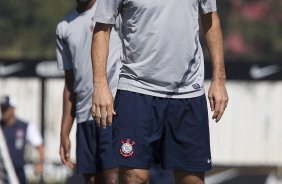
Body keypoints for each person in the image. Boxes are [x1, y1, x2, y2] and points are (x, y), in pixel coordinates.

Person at [91, 0, 229, 184]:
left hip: (188, 92)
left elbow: (210, 18)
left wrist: (219, 79)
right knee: (133, 177)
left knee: (192, 180)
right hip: (136, 89)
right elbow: (101, 29)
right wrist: (100, 84)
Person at [55, 0, 122, 183]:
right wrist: (64, 132)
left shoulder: (113, 9)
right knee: (91, 180)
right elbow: (70, 85)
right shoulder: (63, 27)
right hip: (85, 116)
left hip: (113, 110)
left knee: (113, 177)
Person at [0, 95, 45, 184]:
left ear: (13, 109)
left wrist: (40, 162)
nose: (4, 112)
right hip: (2, 173)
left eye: (6, 108)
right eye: (2, 108)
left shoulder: (24, 127)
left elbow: (40, 146)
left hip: (18, 173)